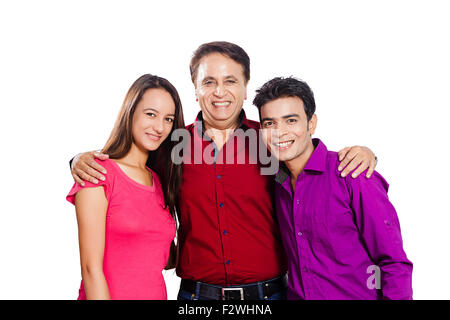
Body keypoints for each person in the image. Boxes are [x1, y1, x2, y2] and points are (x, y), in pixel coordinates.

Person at [70, 42, 377, 300]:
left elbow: (311, 166)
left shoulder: (270, 140)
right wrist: (76, 160)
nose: (220, 92)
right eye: (209, 82)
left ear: (245, 88)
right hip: (197, 297)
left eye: (230, 81)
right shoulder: (172, 144)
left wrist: (365, 153)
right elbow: (127, 168)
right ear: (195, 90)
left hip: (268, 295)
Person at [253, 76, 413, 299]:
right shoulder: (277, 183)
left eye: (291, 120)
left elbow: (394, 263)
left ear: (311, 123)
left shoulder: (353, 174)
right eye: (270, 123)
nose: (279, 132)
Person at [66, 74, 185, 300]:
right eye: (151, 114)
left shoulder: (159, 180)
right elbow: (91, 270)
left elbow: (158, 258)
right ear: (130, 112)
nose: (159, 127)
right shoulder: (97, 172)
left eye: (168, 119)